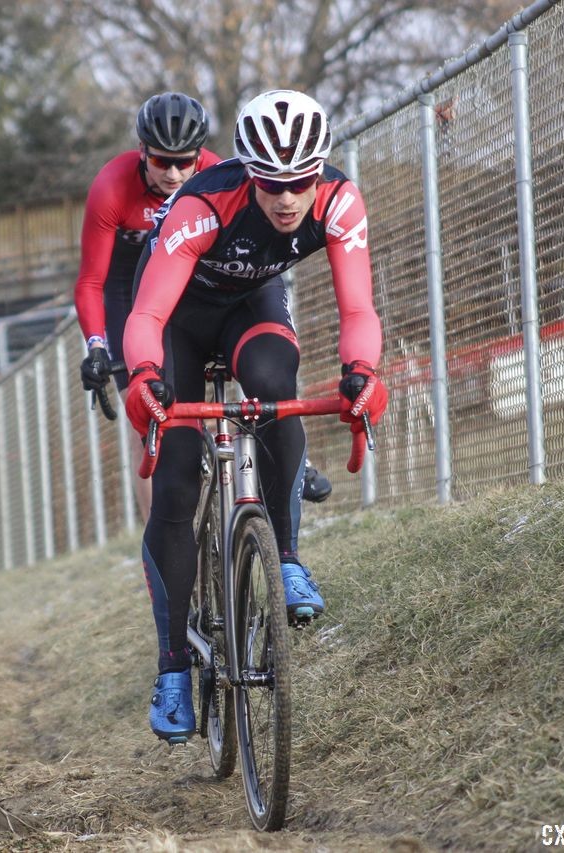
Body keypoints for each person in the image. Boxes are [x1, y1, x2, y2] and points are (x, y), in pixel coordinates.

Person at [120, 90, 388, 741]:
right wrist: (144, 376)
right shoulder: (204, 203)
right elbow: (148, 316)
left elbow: (358, 311)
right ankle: (174, 668)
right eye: (272, 184)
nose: (288, 198)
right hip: (176, 321)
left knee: (274, 381)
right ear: (250, 173)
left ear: (318, 172)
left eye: (301, 181)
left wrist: (362, 372)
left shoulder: (340, 202)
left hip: (250, 306)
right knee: (178, 481)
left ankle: (286, 556)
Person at [73, 92, 222, 517]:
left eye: (184, 161)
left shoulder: (216, 173)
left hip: (189, 284)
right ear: (141, 152)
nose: (174, 173)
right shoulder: (112, 186)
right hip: (127, 292)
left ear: (200, 156)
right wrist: (98, 346)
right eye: (161, 162)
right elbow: (90, 281)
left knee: (224, 400)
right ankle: (162, 539)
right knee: (146, 422)